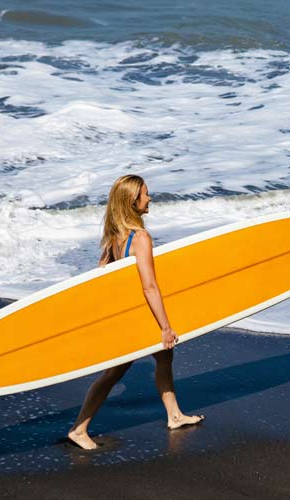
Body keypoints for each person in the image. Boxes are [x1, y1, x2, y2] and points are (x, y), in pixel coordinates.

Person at [67, 174, 204, 450]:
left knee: (165, 357)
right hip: (140, 315)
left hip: (130, 313)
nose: (150, 198)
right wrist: (165, 326)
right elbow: (149, 286)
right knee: (114, 372)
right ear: (133, 200)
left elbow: (103, 275)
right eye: (145, 193)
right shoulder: (140, 237)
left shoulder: (114, 238)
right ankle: (79, 429)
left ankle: (174, 415)